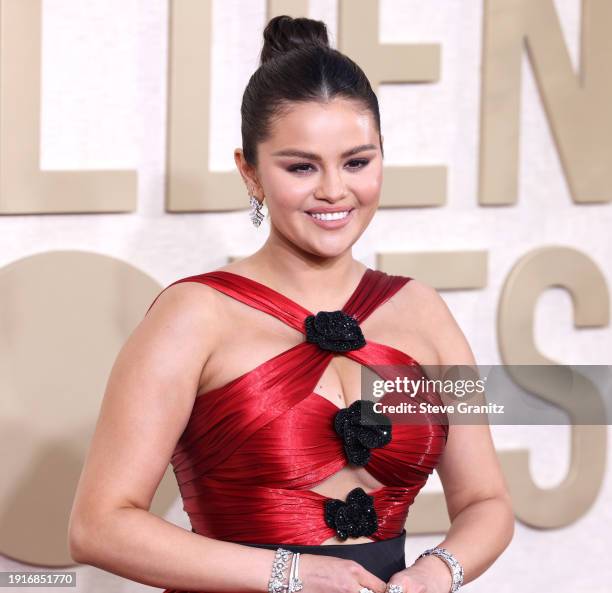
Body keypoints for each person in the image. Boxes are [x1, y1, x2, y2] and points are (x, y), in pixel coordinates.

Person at [67, 14, 514, 593]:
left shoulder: (423, 312)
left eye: (357, 161)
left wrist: (436, 572)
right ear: (249, 172)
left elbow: (487, 501)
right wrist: (290, 574)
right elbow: (98, 526)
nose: (334, 190)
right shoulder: (194, 316)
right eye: (301, 167)